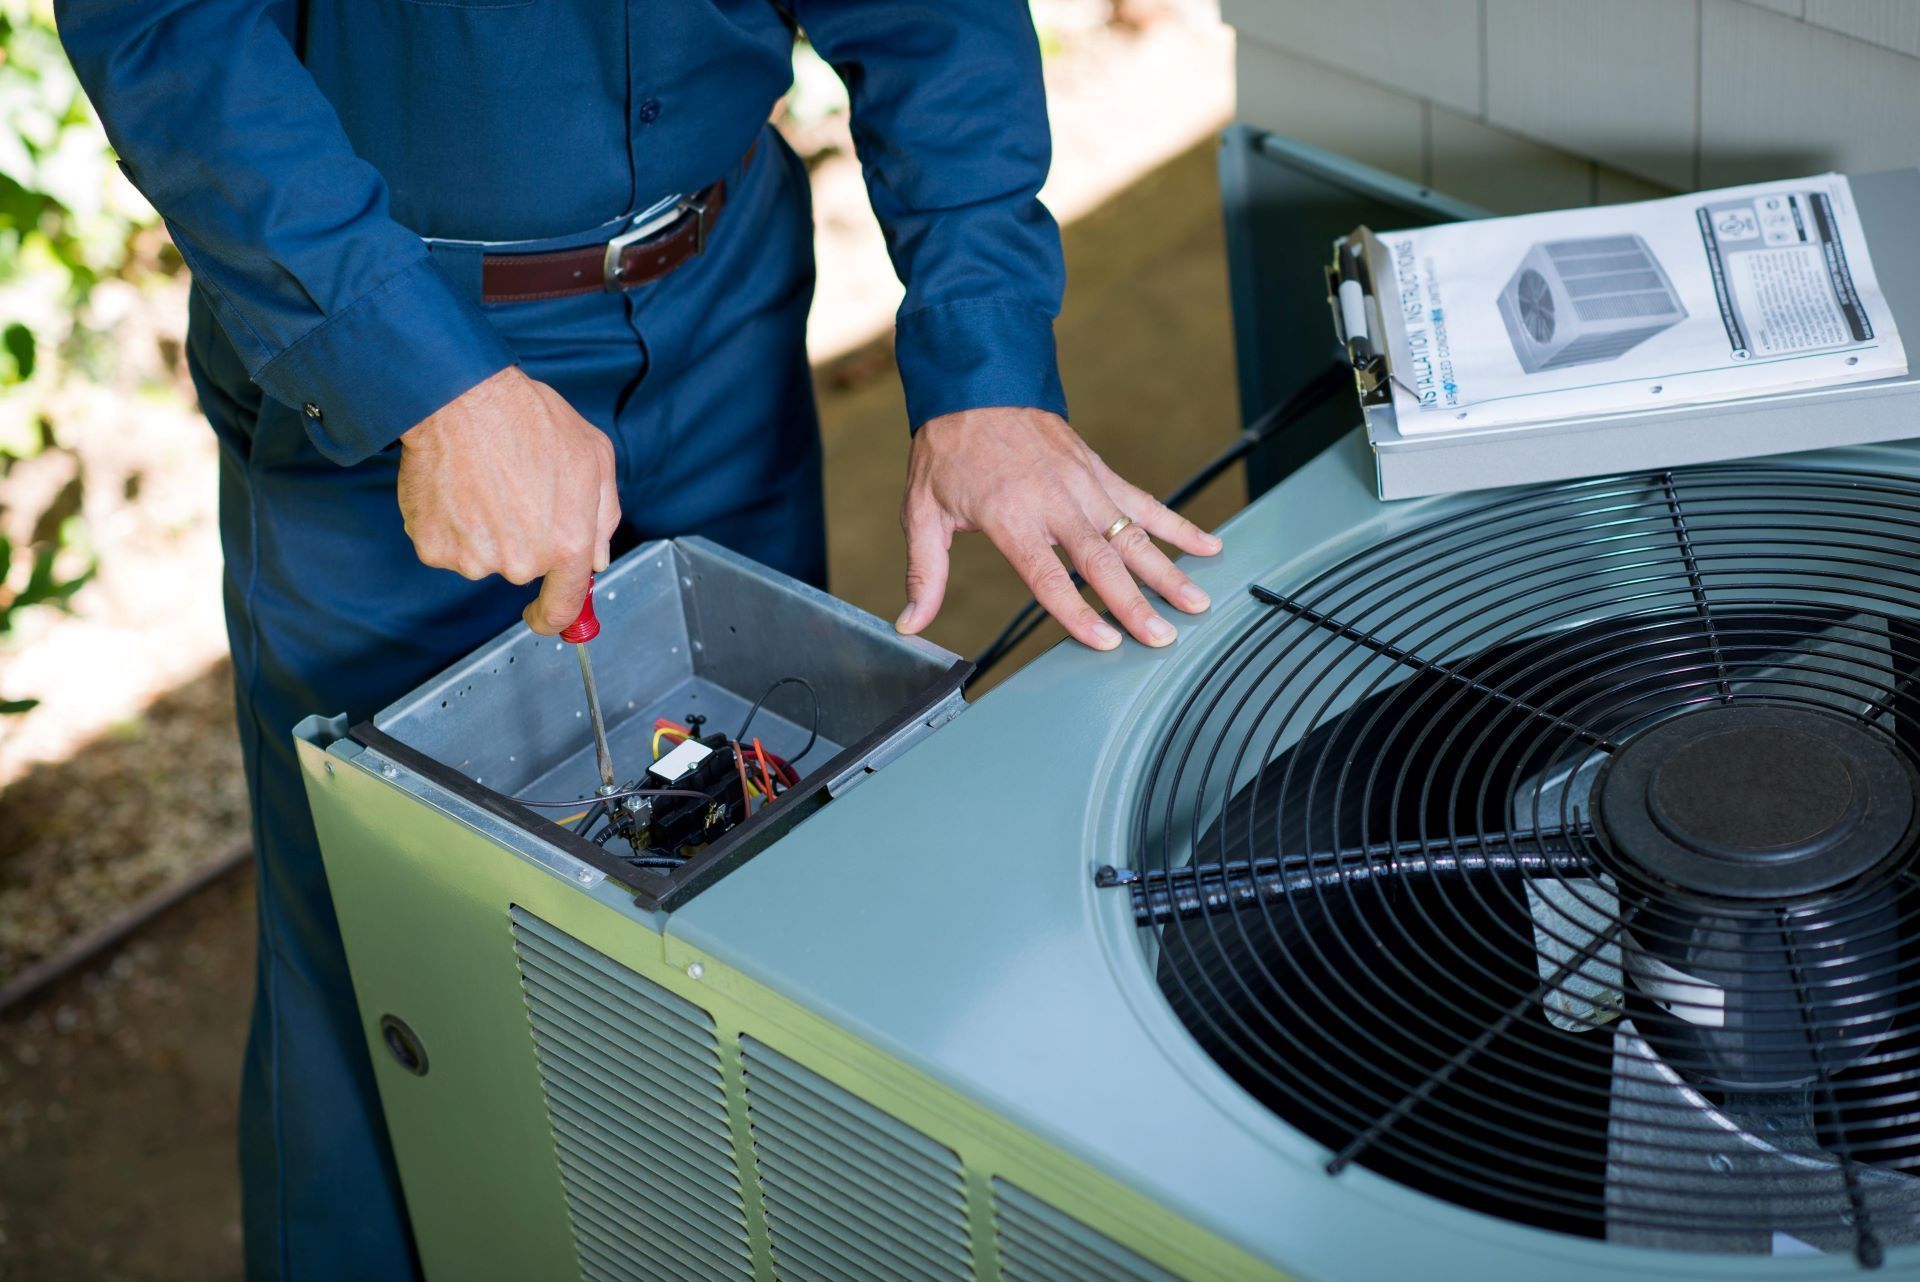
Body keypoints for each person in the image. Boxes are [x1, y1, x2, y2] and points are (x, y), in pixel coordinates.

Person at [56, 1, 1223, 1276]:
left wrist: (986, 362)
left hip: (723, 304)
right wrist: (425, 379)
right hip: (397, 354)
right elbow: (168, 27)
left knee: (759, 891)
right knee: (391, 969)